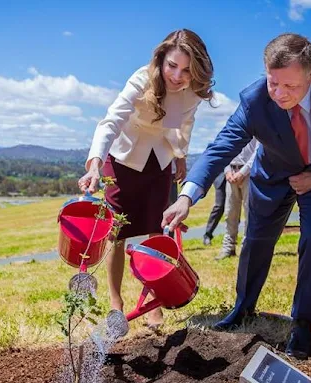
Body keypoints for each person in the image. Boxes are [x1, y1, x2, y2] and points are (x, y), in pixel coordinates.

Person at [162, 33, 311, 359]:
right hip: (272, 176)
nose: (280, 94)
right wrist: (187, 196)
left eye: (291, 87)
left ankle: (303, 323)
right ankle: (243, 307)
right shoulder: (255, 100)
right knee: (256, 240)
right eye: (274, 83)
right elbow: (220, 148)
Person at [78, 29, 214, 328]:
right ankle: (116, 302)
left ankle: (153, 300)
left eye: (187, 70)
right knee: (118, 232)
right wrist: (95, 165)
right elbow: (111, 122)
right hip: (124, 158)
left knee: (156, 231)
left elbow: (185, 126)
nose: (178, 76)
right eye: (172, 66)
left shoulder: (193, 92)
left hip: (159, 160)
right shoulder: (141, 79)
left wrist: (180, 156)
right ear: (161, 60)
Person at [215, 138, 259, 260]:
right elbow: (226, 149)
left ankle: (247, 247)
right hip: (231, 173)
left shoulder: (257, 127)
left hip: (249, 173)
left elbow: (257, 152)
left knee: (249, 212)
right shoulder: (234, 126)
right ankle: (228, 247)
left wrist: (243, 172)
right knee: (230, 212)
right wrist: (227, 171)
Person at [202, 171, 227, 246]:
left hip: (239, 173)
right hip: (221, 176)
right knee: (219, 206)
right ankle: (208, 234)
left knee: (235, 207)